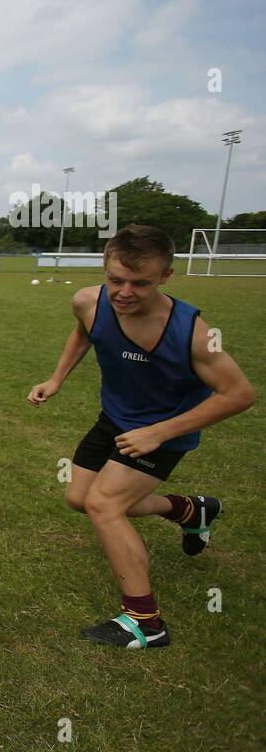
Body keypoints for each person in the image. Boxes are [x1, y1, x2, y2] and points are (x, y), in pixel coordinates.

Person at [28, 225, 255, 648]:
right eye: (116, 280)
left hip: (165, 431)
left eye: (141, 283)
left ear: (166, 276)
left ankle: (145, 621)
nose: (125, 292)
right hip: (114, 420)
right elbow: (84, 331)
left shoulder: (195, 334)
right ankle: (190, 512)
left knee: (104, 504)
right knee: (78, 499)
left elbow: (240, 395)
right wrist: (56, 378)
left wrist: (159, 432)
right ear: (105, 269)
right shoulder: (87, 302)